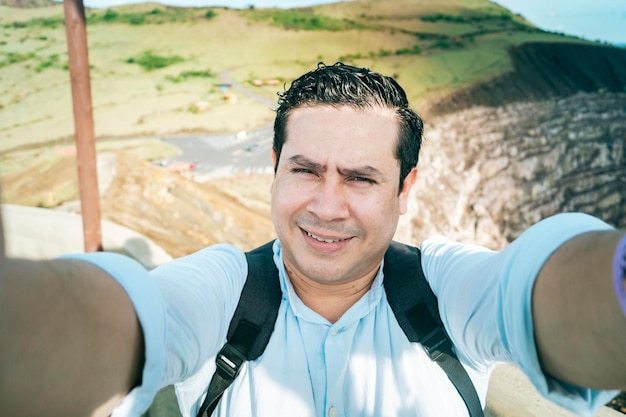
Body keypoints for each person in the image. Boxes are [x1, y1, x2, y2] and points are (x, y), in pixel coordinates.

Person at [1, 62, 625, 417]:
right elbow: (118, 321)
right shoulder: (222, 290)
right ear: (274, 165)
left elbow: (542, 297)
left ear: (405, 190)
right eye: (305, 169)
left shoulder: (446, 291)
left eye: (360, 178)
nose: (327, 207)